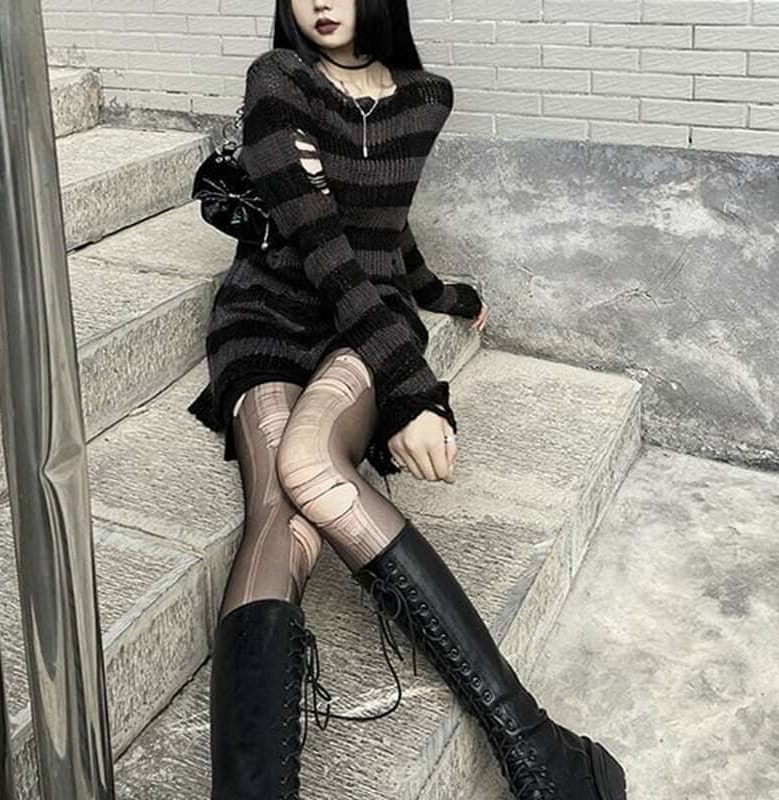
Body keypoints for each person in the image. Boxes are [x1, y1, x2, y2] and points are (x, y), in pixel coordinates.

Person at [186, 1, 628, 799]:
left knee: (309, 462)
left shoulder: (428, 97)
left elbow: (384, 222)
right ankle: (541, 753)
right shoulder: (278, 80)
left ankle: (531, 754)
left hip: (363, 321)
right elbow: (322, 243)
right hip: (269, 315)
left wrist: (438, 293)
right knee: (280, 504)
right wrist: (414, 390)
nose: (322, 2)